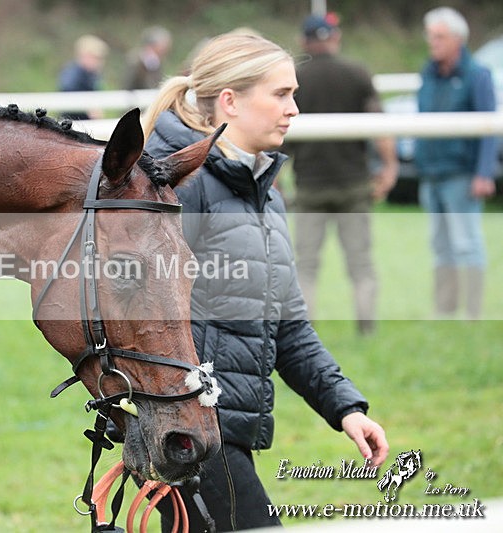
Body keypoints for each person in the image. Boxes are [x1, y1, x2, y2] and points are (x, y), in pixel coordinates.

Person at [141, 32, 389, 531]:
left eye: (293, 94)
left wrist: (345, 408)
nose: (293, 108)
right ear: (230, 101)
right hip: (191, 433)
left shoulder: (267, 197)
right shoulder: (178, 189)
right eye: (281, 94)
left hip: (223, 430)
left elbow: (289, 328)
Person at [286, 13, 399, 335]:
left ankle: (304, 334)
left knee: (306, 266)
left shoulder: (294, 78)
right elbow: (381, 126)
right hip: (354, 185)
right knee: (361, 264)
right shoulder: (357, 73)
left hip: (309, 186)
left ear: (303, 41)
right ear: (335, 38)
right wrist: (390, 167)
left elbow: (279, 136)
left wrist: (277, 178)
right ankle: (367, 330)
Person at [414, 6, 498, 320]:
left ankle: (473, 311)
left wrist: (484, 172)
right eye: (430, 36)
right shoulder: (428, 72)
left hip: (461, 173)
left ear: (457, 39)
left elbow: (491, 128)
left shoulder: (478, 76)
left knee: (467, 243)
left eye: (439, 36)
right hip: (431, 172)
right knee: (440, 245)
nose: (432, 42)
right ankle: (445, 308)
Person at [57, 34, 109, 120]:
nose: (99, 62)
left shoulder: (93, 75)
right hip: (72, 123)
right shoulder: (72, 73)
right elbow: (68, 94)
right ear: (84, 56)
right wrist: (87, 108)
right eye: (95, 58)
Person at [123, 25, 172, 90]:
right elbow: (128, 83)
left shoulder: (158, 61)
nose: (167, 49)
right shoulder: (136, 60)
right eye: (164, 45)